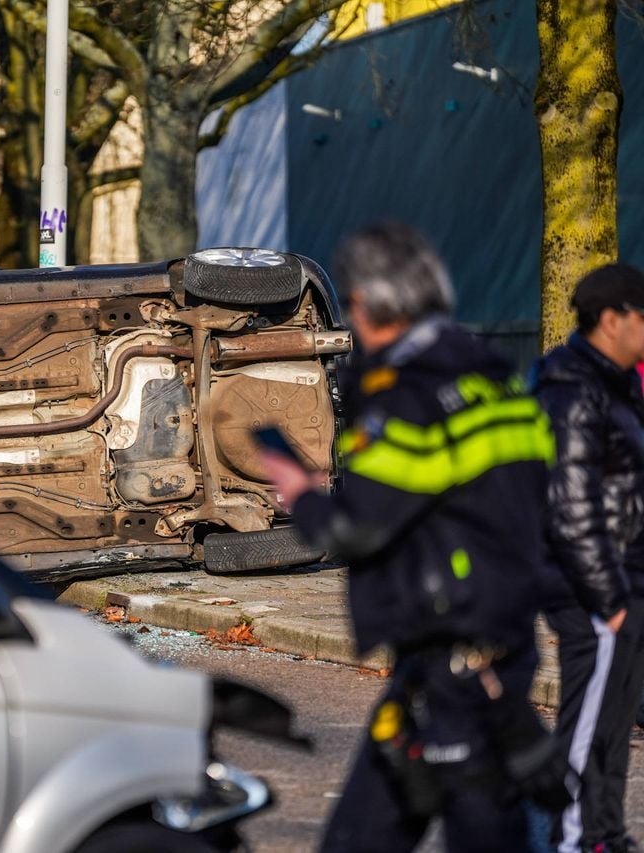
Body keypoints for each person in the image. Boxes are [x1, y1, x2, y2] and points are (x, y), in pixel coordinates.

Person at [261, 222, 560, 852]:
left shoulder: (403, 396)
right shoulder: (496, 377)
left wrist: (302, 494)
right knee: (371, 828)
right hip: (494, 641)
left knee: (479, 830)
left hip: (451, 658)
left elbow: (359, 527)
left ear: (366, 305)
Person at [534, 263, 644, 853]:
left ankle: (605, 834)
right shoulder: (573, 388)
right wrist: (610, 602)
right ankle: (571, 840)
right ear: (612, 320)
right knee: (584, 727)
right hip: (593, 589)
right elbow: (571, 507)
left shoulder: (614, 383)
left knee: (613, 723)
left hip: (624, 582)